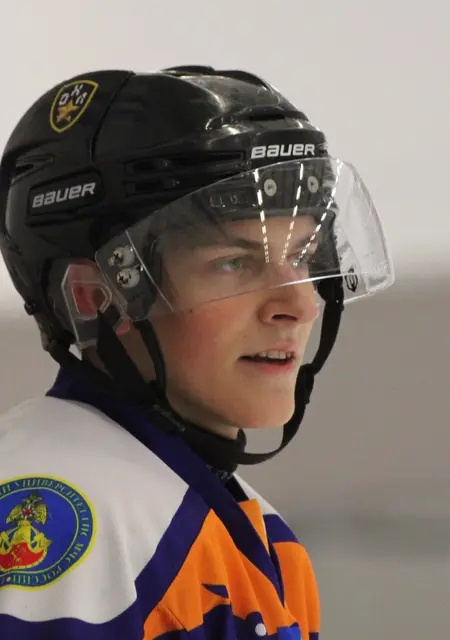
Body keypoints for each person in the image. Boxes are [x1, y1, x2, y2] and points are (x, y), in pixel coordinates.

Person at [0, 66, 394, 639]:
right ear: (93, 297)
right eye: (234, 263)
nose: (300, 305)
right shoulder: (72, 520)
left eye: (303, 257)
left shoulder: (259, 537)